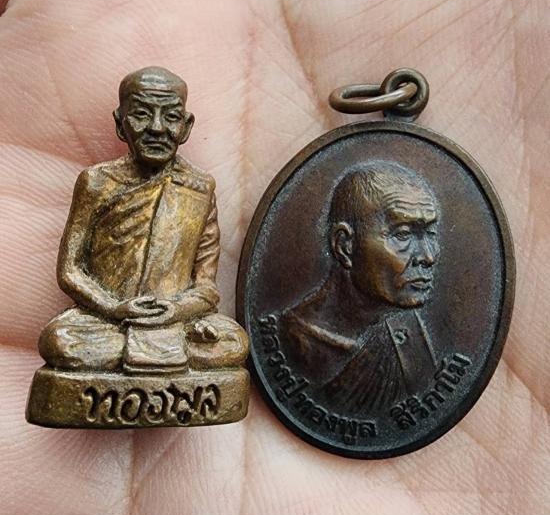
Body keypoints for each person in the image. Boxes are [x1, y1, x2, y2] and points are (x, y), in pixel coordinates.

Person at [38, 66, 248, 373]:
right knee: (60, 340)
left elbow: (206, 287)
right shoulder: (97, 182)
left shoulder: (199, 188)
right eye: (141, 115)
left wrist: (177, 310)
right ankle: (152, 354)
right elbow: (70, 271)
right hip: (106, 321)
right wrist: (114, 307)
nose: (157, 128)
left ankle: (147, 352)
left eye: (171, 117)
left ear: (187, 126)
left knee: (234, 341)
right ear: (120, 123)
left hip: (173, 322)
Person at [281, 161, 440, 413]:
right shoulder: (295, 341)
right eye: (403, 235)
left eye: (429, 234)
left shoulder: (408, 333)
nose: (427, 256)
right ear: (345, 246)